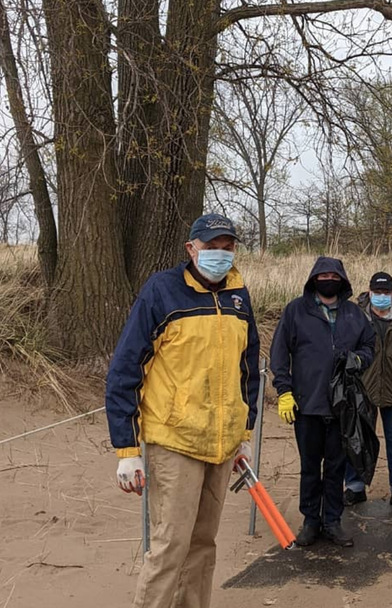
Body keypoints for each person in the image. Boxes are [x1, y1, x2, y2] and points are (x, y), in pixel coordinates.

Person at [105, 213, 259, 608]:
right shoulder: (162, 292)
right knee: (170, 544)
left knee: (203, 544)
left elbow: (248, 371)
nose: (220, 255)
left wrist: (243, 435)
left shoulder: (239, 296)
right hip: (174, 440)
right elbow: (125, 370)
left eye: (227, 248)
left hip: (222, 444)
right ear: (192, 249)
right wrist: (127, 450)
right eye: (211, 248)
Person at [270, 256, 375, 548]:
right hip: (307, 403)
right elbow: (279, 353)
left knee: (336, 467)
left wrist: (358, 359)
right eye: (323, 275)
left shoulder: (354, 314)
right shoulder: (296, 311)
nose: (328, 279)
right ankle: (310, 521)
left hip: (343, 405)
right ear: (314, 279)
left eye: (334, 275)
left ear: (342, 280)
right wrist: (284, 390)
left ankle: (332, 520)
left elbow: (369, 346)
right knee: (309, 466)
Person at [344, 271, 392, 512]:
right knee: (356, 440)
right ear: (369, 292)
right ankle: (355, 487)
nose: (381, 297)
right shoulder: (354, 315)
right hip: (362, 390)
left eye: (385, 292)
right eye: (377, 292)